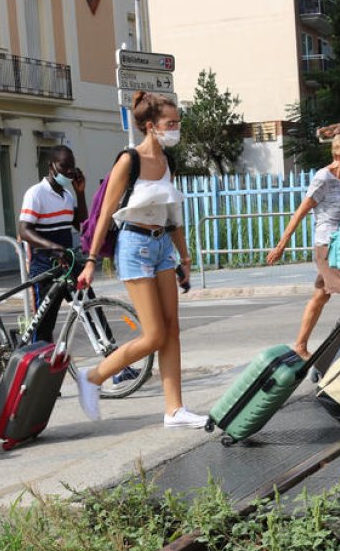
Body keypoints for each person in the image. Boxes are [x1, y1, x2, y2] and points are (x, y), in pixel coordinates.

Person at [76, 91, 207, 428]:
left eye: (178, 123)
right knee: (153, 335)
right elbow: (106, 212)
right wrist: (90, 261)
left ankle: (174, 409)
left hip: (162, 244)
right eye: (171, 124)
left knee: (172, 330)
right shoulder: (129, 161)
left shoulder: (167, 162)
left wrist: (185, 255)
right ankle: (93, 377)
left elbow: (171, 213)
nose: (176, 129)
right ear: (151, 126)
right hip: (134, 246)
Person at [265, 133, 340, 359]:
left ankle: (300, 345)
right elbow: (301, 212)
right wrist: (281, 245)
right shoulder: (323, 177)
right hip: (327, 246)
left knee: (321, 296)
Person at [17, 145, 87, 342]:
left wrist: (80, 193)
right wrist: (52, 247)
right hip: (45, 266)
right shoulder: (36, 193)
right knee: (44, 325)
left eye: (72, 167)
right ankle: (36, 364)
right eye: (64, 166)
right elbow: (24, 230)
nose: (69, 171)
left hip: (67, 262)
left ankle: (115, 361)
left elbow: (80, 223)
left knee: (91, 310)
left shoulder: (67, 195)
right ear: (51, 166)